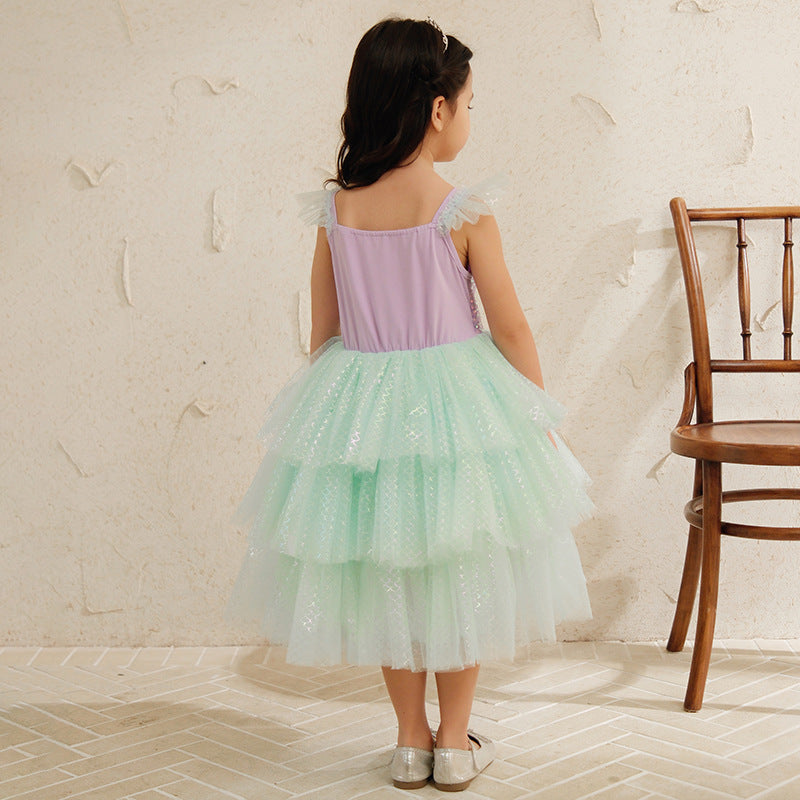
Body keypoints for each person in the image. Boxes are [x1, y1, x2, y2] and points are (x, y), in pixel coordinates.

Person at [225, 16, 592, 793]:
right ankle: (454, 743)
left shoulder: (339, 211)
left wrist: (336, 416)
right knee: (463, 572)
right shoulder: (460, 208)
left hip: (361, 409)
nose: (469, 115)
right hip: (461, 413)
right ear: (436, 109)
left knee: (383, 570)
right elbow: (511, 324)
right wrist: (534, 415)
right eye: (468, 101)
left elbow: (323, 332)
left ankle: (408, 739)